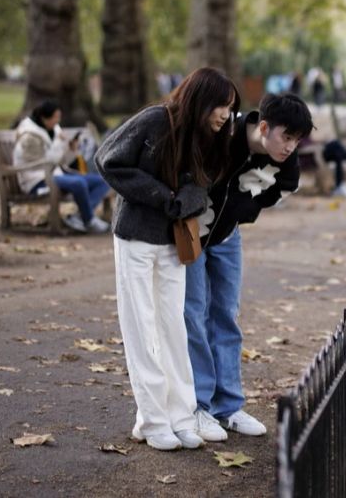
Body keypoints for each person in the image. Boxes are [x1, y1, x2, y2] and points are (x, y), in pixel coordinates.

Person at [95, 67, 239, 451]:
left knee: (173, 327)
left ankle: (180, 414)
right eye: (221, 105)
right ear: (201, 98)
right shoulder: (155, 119)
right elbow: (108, 159)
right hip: (137, 238)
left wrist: (189, 196)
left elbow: (204, 182)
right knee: (141, 328)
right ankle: (154, 419)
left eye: (230, 107)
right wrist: (163, 197)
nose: (225, 114)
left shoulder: (209, 136)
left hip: (175, 243)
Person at [185, 92, 314, 442]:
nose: (290, 147)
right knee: (193, 314)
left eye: (297, 140)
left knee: (226, 314)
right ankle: (198, 406)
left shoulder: (284, 162)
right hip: (192, 232)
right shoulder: (223, 136)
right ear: (264, 126)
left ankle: (228, 406)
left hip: (227, 236)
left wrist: (243, 211)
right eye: (286, 137)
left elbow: (285, 188)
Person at [13, 100, 111, 233]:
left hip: (55, 173)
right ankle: (88, 220)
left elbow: (59, 161)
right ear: (44, 118)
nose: (58, 121)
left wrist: (71, 149)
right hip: (37, 180)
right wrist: (60, 143)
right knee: (79, 182)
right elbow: (44, 162)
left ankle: (79, 217)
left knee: (103, 181)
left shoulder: (52, 129)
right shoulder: (29, 137)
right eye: (55, 117)